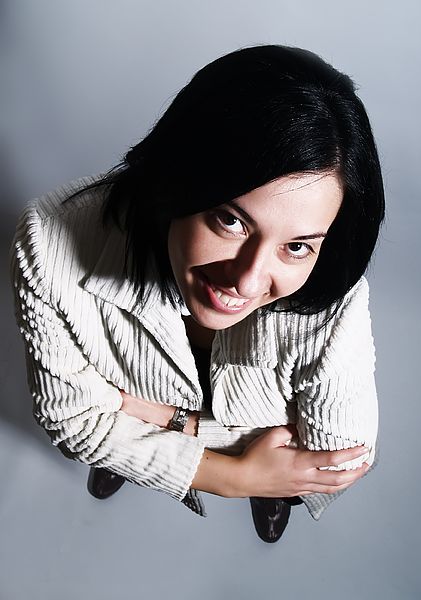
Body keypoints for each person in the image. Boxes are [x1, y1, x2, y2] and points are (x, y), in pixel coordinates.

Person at [10, 44, 384, 543]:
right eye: (231, 220)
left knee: (132, 442)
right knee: (106, 445)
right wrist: (241, 475)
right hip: (242, 443)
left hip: (139, 410)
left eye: (296, 246)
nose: (248, 281)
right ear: (178, 179)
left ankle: (221, 476)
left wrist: (154, 420)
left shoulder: (332, 281)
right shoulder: (47, 238)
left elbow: (339, 457)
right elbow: (69, 419)